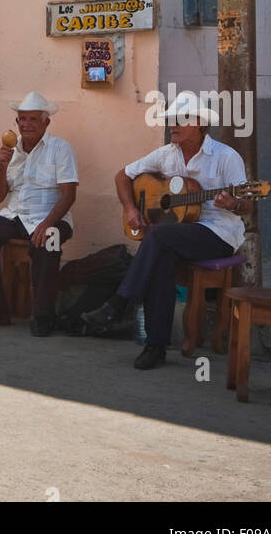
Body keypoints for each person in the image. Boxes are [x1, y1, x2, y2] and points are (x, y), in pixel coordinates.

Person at [81, 91, 251, 370]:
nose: (173, 125)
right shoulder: (165, 155)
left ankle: (120, 301)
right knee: (160, 260)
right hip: (178, 234)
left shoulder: (225, 156)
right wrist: (129, 209)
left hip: (218, 234)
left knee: (158, 236)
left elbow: (246, 205)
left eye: (181, 119)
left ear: (199, 123)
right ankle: (156, 347)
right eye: (172, 119)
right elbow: (122, 176)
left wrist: (233, 202)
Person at [0, 92, 78, 335]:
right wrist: (2, 167)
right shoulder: (9, 150)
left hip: (52, 217)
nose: (26, 124)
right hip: (15, 215)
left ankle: (44, 315)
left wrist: (47, 223)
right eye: (22, 119)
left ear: (46, 122)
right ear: (16, 122)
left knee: (49, 243)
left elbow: (68, 195)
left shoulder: (60, 148)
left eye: (33, 119)